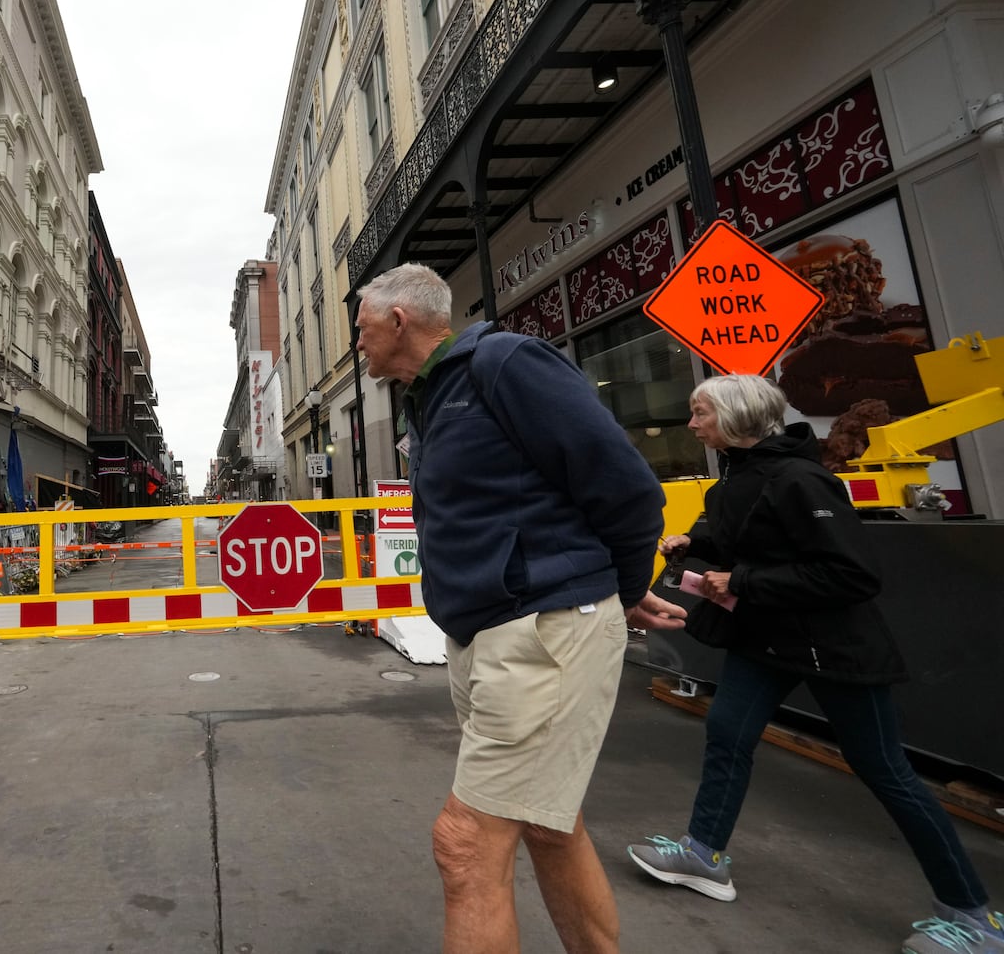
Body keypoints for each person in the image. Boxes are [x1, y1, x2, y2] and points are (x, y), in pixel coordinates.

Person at [354, 263, 685, 954]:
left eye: (361, 329)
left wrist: (620, 590)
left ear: (397, 321)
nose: (357, 345)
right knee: (546, 822)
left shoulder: (502, 362)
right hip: (490, 634)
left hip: (542, 628)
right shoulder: (433, 397)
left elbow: (627, 488)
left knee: (466, 843)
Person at [626, 374, 1002, 954]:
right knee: (726, 737)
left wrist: (742, 579)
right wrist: (695, 550)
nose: (692, 424)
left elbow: (852, 574)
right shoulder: (734, 482)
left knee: (886, 772)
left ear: (736, 418)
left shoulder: (801, 480)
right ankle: (704, 856)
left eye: (701, 413)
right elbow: (748, 551)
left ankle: (973, 917)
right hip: (765, 641)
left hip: (835, 650)